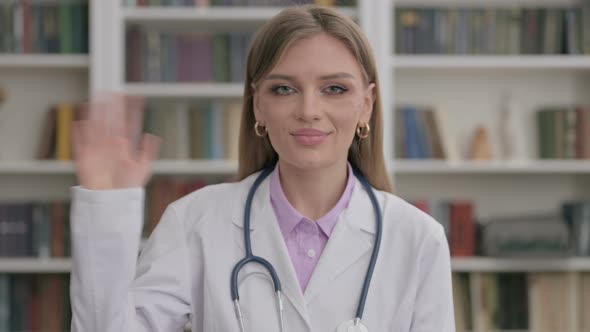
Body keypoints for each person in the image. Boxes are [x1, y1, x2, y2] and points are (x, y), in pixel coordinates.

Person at [69, 5, 455, 332]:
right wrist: (106, 209)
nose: (308, 110)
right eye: (284, 89)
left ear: (366, 105)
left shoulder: (418, 239)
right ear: (257, 105)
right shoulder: (195, 223)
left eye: (334, 89)